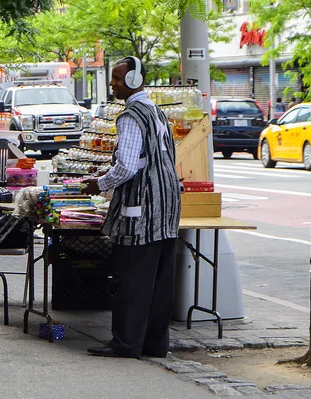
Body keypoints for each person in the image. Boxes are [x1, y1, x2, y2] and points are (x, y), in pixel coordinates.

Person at [82, 56, 181, 359]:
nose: (112, 84)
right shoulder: (156, 111)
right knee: (159, 280)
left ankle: (126, 343)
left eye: (117, 78)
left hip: (141, 208)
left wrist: (98, 184)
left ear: (134, 81)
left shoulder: (130, 117)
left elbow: (125, 167)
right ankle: (154, 343)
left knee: (132, 279)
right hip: (166, 207)